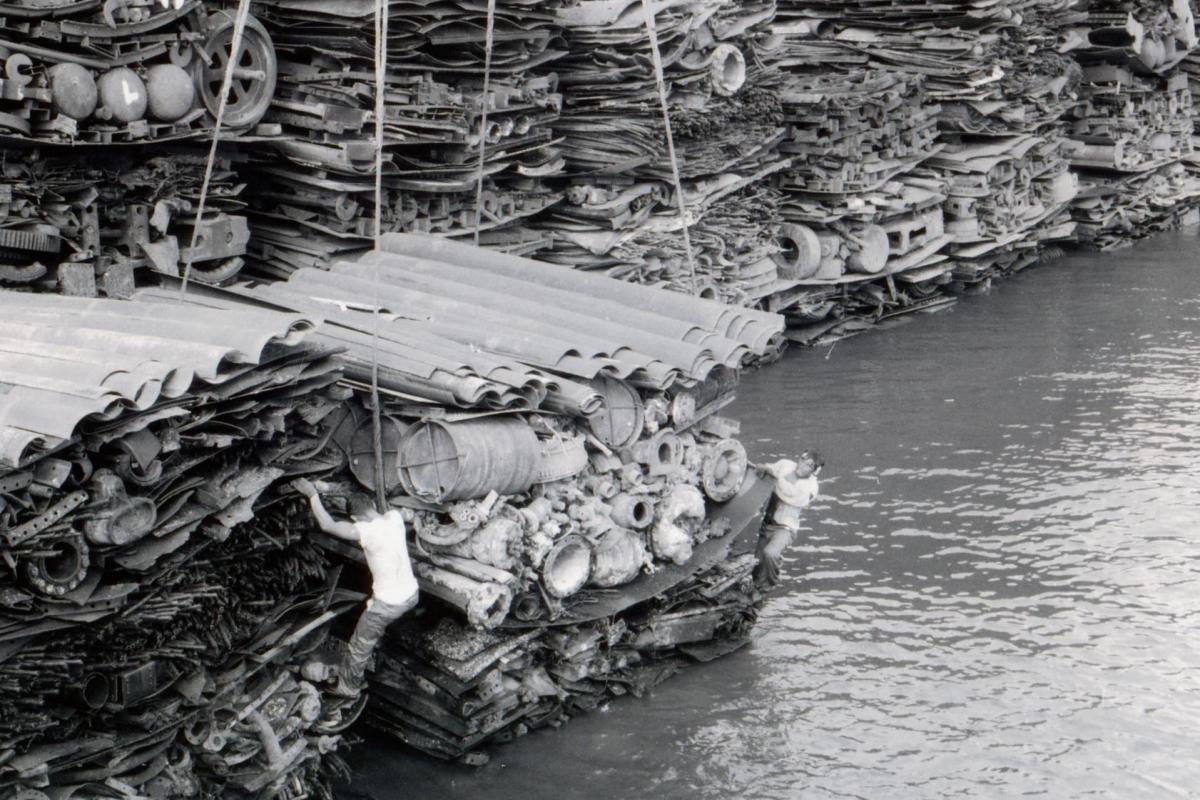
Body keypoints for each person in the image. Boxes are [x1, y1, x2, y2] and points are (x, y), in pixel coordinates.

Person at [293, 478, 418, 696]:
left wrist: (312, 495)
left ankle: (349, 686)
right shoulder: (394, 518)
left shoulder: (367, 532)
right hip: (412, 594)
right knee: (374, 628)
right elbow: (408, 514)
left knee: (360, 644)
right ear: (373, 507)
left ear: (356, 519)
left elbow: (328, 525)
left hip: (389, 604)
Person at [754, 452, 823, 587]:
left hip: (785, 528)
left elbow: (789, 494)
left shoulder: (811, 487)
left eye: (809, 465)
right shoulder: (785, 464)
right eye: (802, 459)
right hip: (767, 522)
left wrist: (775, 476)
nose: (802, 465)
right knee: (757, 563)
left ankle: (772, 584)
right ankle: (757, 584)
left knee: (770, 553)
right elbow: (769, 469)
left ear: (815, 471)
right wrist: (763, 468)